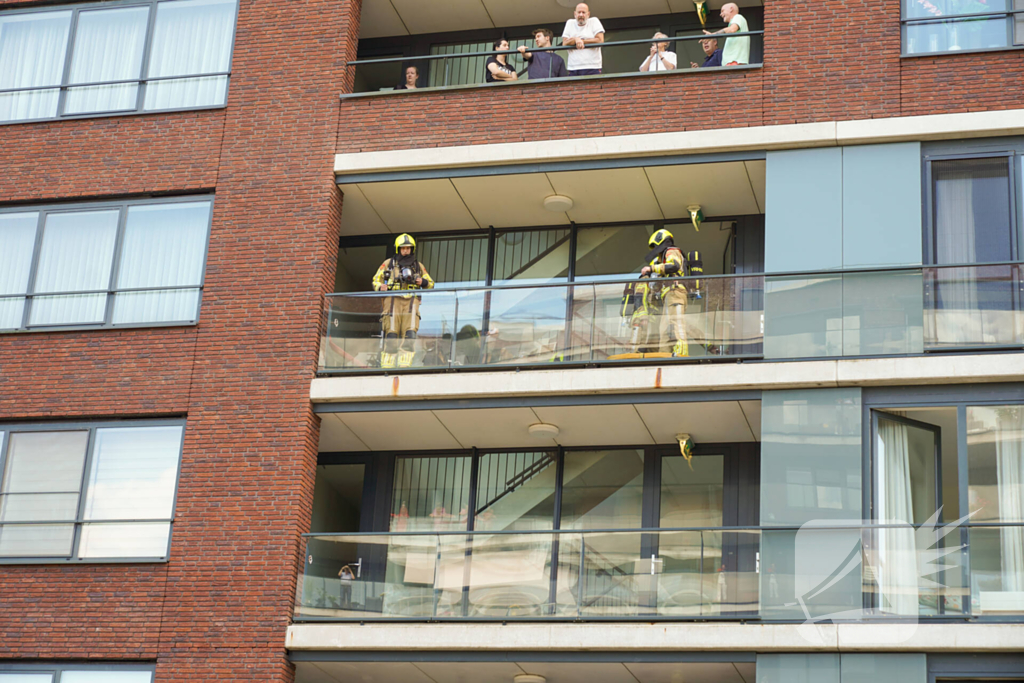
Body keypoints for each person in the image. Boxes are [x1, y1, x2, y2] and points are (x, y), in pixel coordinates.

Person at [372, 234, 435, 368]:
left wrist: (422, 281)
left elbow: (431, 283)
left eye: (408, 248)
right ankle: (388, 364)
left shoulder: (418, 266)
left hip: (411, 301)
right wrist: (380, 287)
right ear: (398, 249)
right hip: (392, 300)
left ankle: (404, 363)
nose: (406, 251)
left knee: (410, 333)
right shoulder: (389, 263)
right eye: (403, 248)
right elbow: (375, 279)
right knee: (391, 333)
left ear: (412, 249)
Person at [641, 229, 688, 357]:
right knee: (664, 331)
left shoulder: (671, 251)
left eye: (656, 246)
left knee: (676, 324)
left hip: (675, 292)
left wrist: (652, 268)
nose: (656, 250)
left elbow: (674, 266)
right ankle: (664, 356)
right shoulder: (664, 257)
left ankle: (682, 354)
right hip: (668, 296)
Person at [561, 3, 605, 76]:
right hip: (573, 67)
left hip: (593, 66)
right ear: (575, 14)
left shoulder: (594, 21)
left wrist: (582, 41)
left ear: (588, 14)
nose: (581, 15)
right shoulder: (570, 23)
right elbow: (564, 43)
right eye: (579, 12)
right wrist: (576, 39)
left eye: (583, 12)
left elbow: (600, 40)